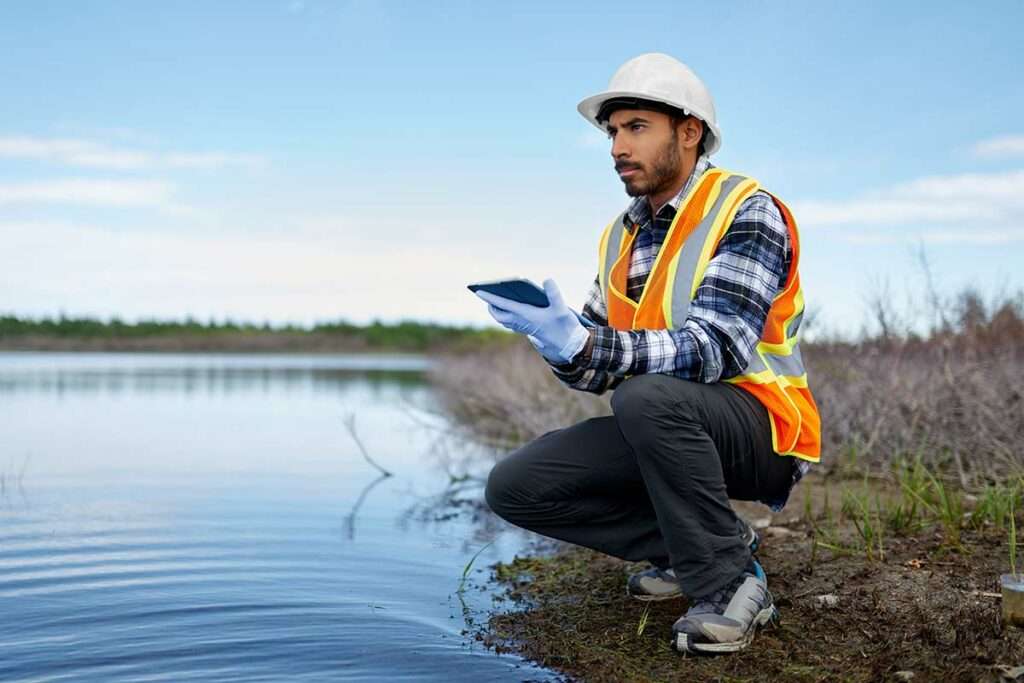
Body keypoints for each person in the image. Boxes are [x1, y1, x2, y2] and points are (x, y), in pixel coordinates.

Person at [472, 52, 821, 655]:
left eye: (636, 127)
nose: (616, 147)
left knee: (645, 395)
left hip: (762, 430)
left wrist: (590, 343)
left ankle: (732, 586)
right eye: (612, 132)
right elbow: (594, 366)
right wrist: (555, 340)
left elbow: (718, 348)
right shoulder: (619, 237)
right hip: (663, 421)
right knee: (515, 485)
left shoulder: (746, 209)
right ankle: (698, 546)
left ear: (689, 132)